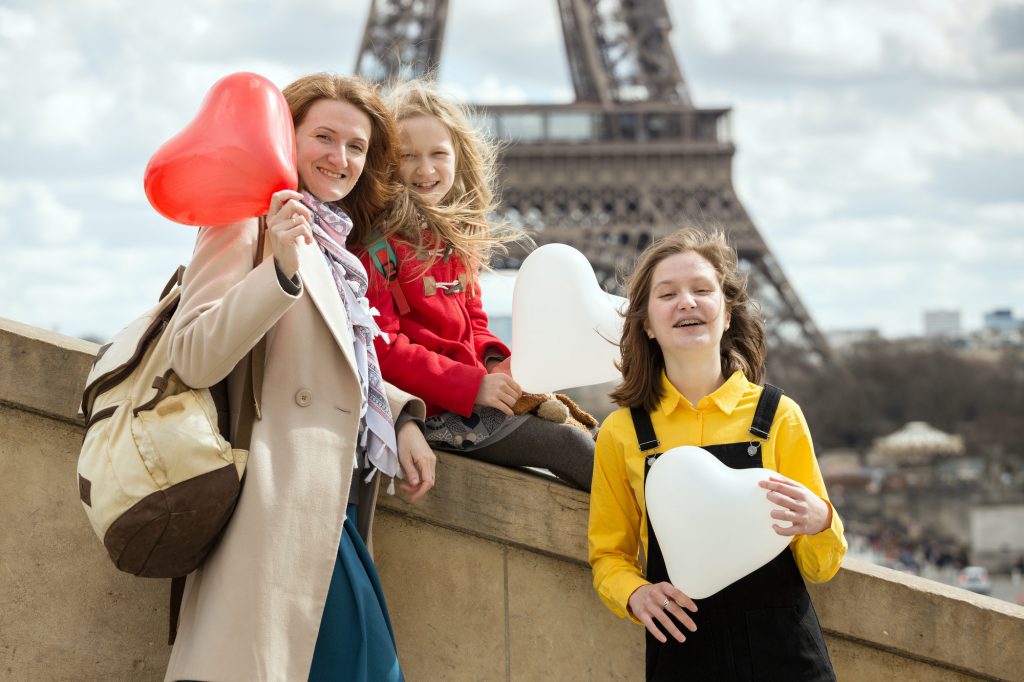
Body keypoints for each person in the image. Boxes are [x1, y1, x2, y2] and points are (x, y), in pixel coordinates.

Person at [164, 73, 437, 682]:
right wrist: (279, 271)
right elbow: (193, 354)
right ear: (284, 135)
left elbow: (340, 365)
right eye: (323, 136)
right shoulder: (247, 222)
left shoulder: (339, 249)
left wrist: (403, 415)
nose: (339, 159)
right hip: (274, 501)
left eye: (357, 147)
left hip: (333, 505)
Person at [588, 228, 847, 680]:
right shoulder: (622, 432)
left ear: (727, 315)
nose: (687, 301)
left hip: (785, 657)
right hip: (683, 654)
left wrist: (821, 520)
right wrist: (634, 593)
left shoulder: (780, 417)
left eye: (702, 290)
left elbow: (819, 568)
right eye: (667, 294)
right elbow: (609, 555)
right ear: (646, 323)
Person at [355, 79, 594, 491]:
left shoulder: (453, 243)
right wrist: (473, 384)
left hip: (469, 394)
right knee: (571, 443)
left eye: (437, 155)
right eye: (407, 156)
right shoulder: (376, 249)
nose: (425, 169)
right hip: (431, 410)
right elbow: (382, 350)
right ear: (386, 164)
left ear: (458, 158)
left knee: (596, 435)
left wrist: (498, 364)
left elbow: (476, 322)